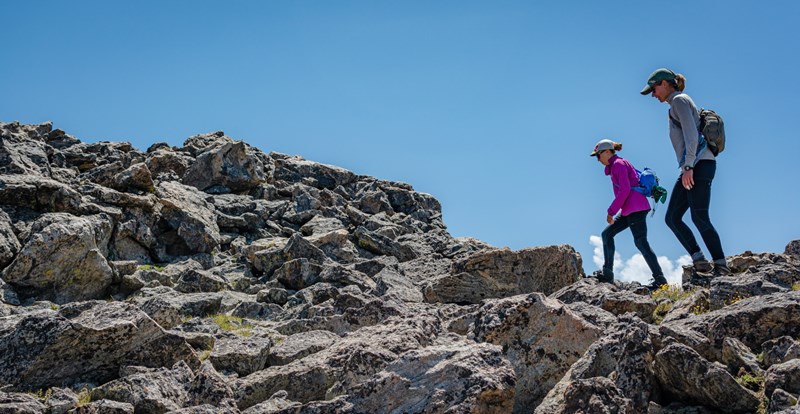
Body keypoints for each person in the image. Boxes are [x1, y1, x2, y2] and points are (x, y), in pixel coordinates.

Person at [640, 68, 731, 276]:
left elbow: (691, 136)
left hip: (698, 165)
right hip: (692, 166)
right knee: (672, 217)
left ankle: (721, 264)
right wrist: (687, 167)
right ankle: (700, 261)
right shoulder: (675, 104)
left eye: (653, 89)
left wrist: (689, 166)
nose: (653, 94)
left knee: (699, 216)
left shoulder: (680, 100)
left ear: (664, 83)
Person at [590, 139, 667, 289]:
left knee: (640, 242)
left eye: (598, 155)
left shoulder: (618, 164)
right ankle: (607, 274)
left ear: (606, 152)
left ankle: (660, 280)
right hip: (630, 209)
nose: (597, 159)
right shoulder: (616, 165)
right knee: (607, 235)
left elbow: (624, 190)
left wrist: (611, 211)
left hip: (635, 208)